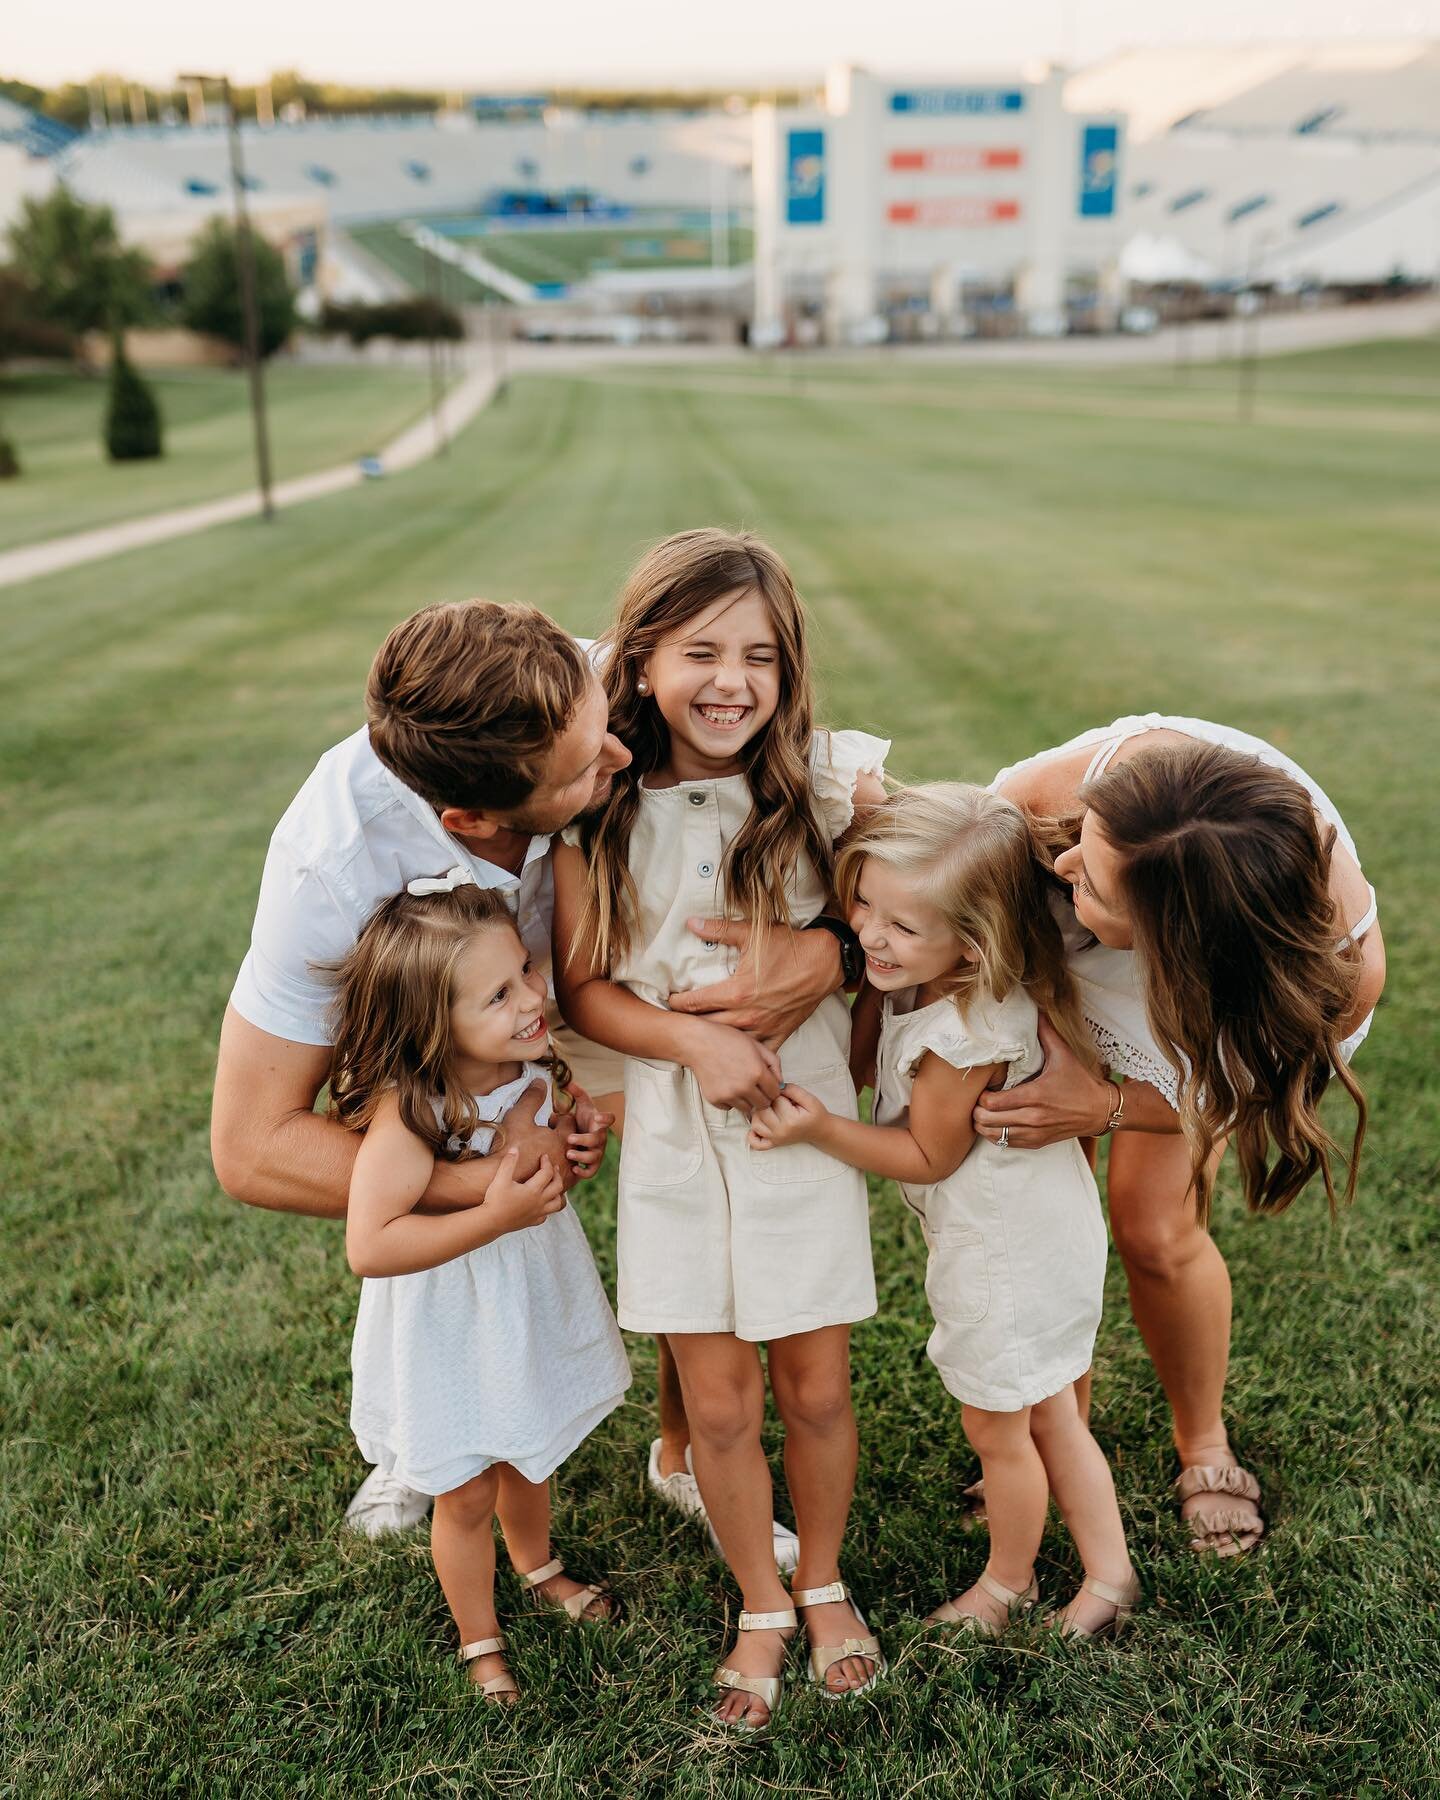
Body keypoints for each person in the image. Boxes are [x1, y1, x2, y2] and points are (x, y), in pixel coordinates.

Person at [211, 597, 834, 1552]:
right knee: (433, 1162)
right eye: (588, 768)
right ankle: (428, 1438)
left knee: (683, 1153)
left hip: (613, 965)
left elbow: (827, 778)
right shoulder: (331, 867)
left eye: (604, 728)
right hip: (453, 1019)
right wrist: (496, 1176)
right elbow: (252, 1150)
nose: (624, 757)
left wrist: (833, 949)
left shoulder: (619, 686)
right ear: (470, 818)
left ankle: (686, 1451)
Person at [553, 529, 888, 1730]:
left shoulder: (830, 790)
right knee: (722, 1403)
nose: (731, 681)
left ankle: (827, 1577)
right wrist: (693, 1040)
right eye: (700, 651)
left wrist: (832, 952)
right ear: (639, 660)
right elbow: (586, 987)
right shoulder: (597, 809)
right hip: (675, 1135)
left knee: (813, 1386)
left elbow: (930, 903)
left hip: (798, 1126)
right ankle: (760, 1599)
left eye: (760, 655)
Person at [973, 716, 1383, 1555]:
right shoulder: (1056, 813)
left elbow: (1249, 1089)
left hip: (1207, 977)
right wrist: (1083, 888)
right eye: (1084, 845)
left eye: (1092, 882)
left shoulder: (1332, 970)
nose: (1065, 865)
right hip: (1058, 942)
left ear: (1178, 947)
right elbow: (939, 884)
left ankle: (1203, 1444)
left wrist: (1110, 1106)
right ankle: (1055, 1435)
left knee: (1156, 1227)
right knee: (1048, 1214)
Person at [751, 784, 1139, 1638]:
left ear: (975, 943)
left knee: (999, 1428)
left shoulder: (965, 1028)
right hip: (1034, 1232)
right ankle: (1110, 1575)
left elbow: (929, 1153)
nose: (870, 934)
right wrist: (862, 992)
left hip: (1003, 1249)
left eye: (903, 925)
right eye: (864, 903)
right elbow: (865, 1054)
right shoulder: (919, 982)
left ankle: (1008, 1584)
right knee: (1048, 1412)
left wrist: (820, 1129)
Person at [334, 879, 631, 1700]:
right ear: (434, 1024)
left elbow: (547, 1159)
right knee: (465, 1488)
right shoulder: (415, 1113)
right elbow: (371, 1242)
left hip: (524, 1303)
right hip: (446, 1322)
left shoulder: (528, 1068)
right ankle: (478, 1637)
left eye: (527, 970)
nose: (535, 996)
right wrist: (492, 1216)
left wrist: (577, 1145)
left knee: (529, 1448)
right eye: (500, 994)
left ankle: (538, 1567)